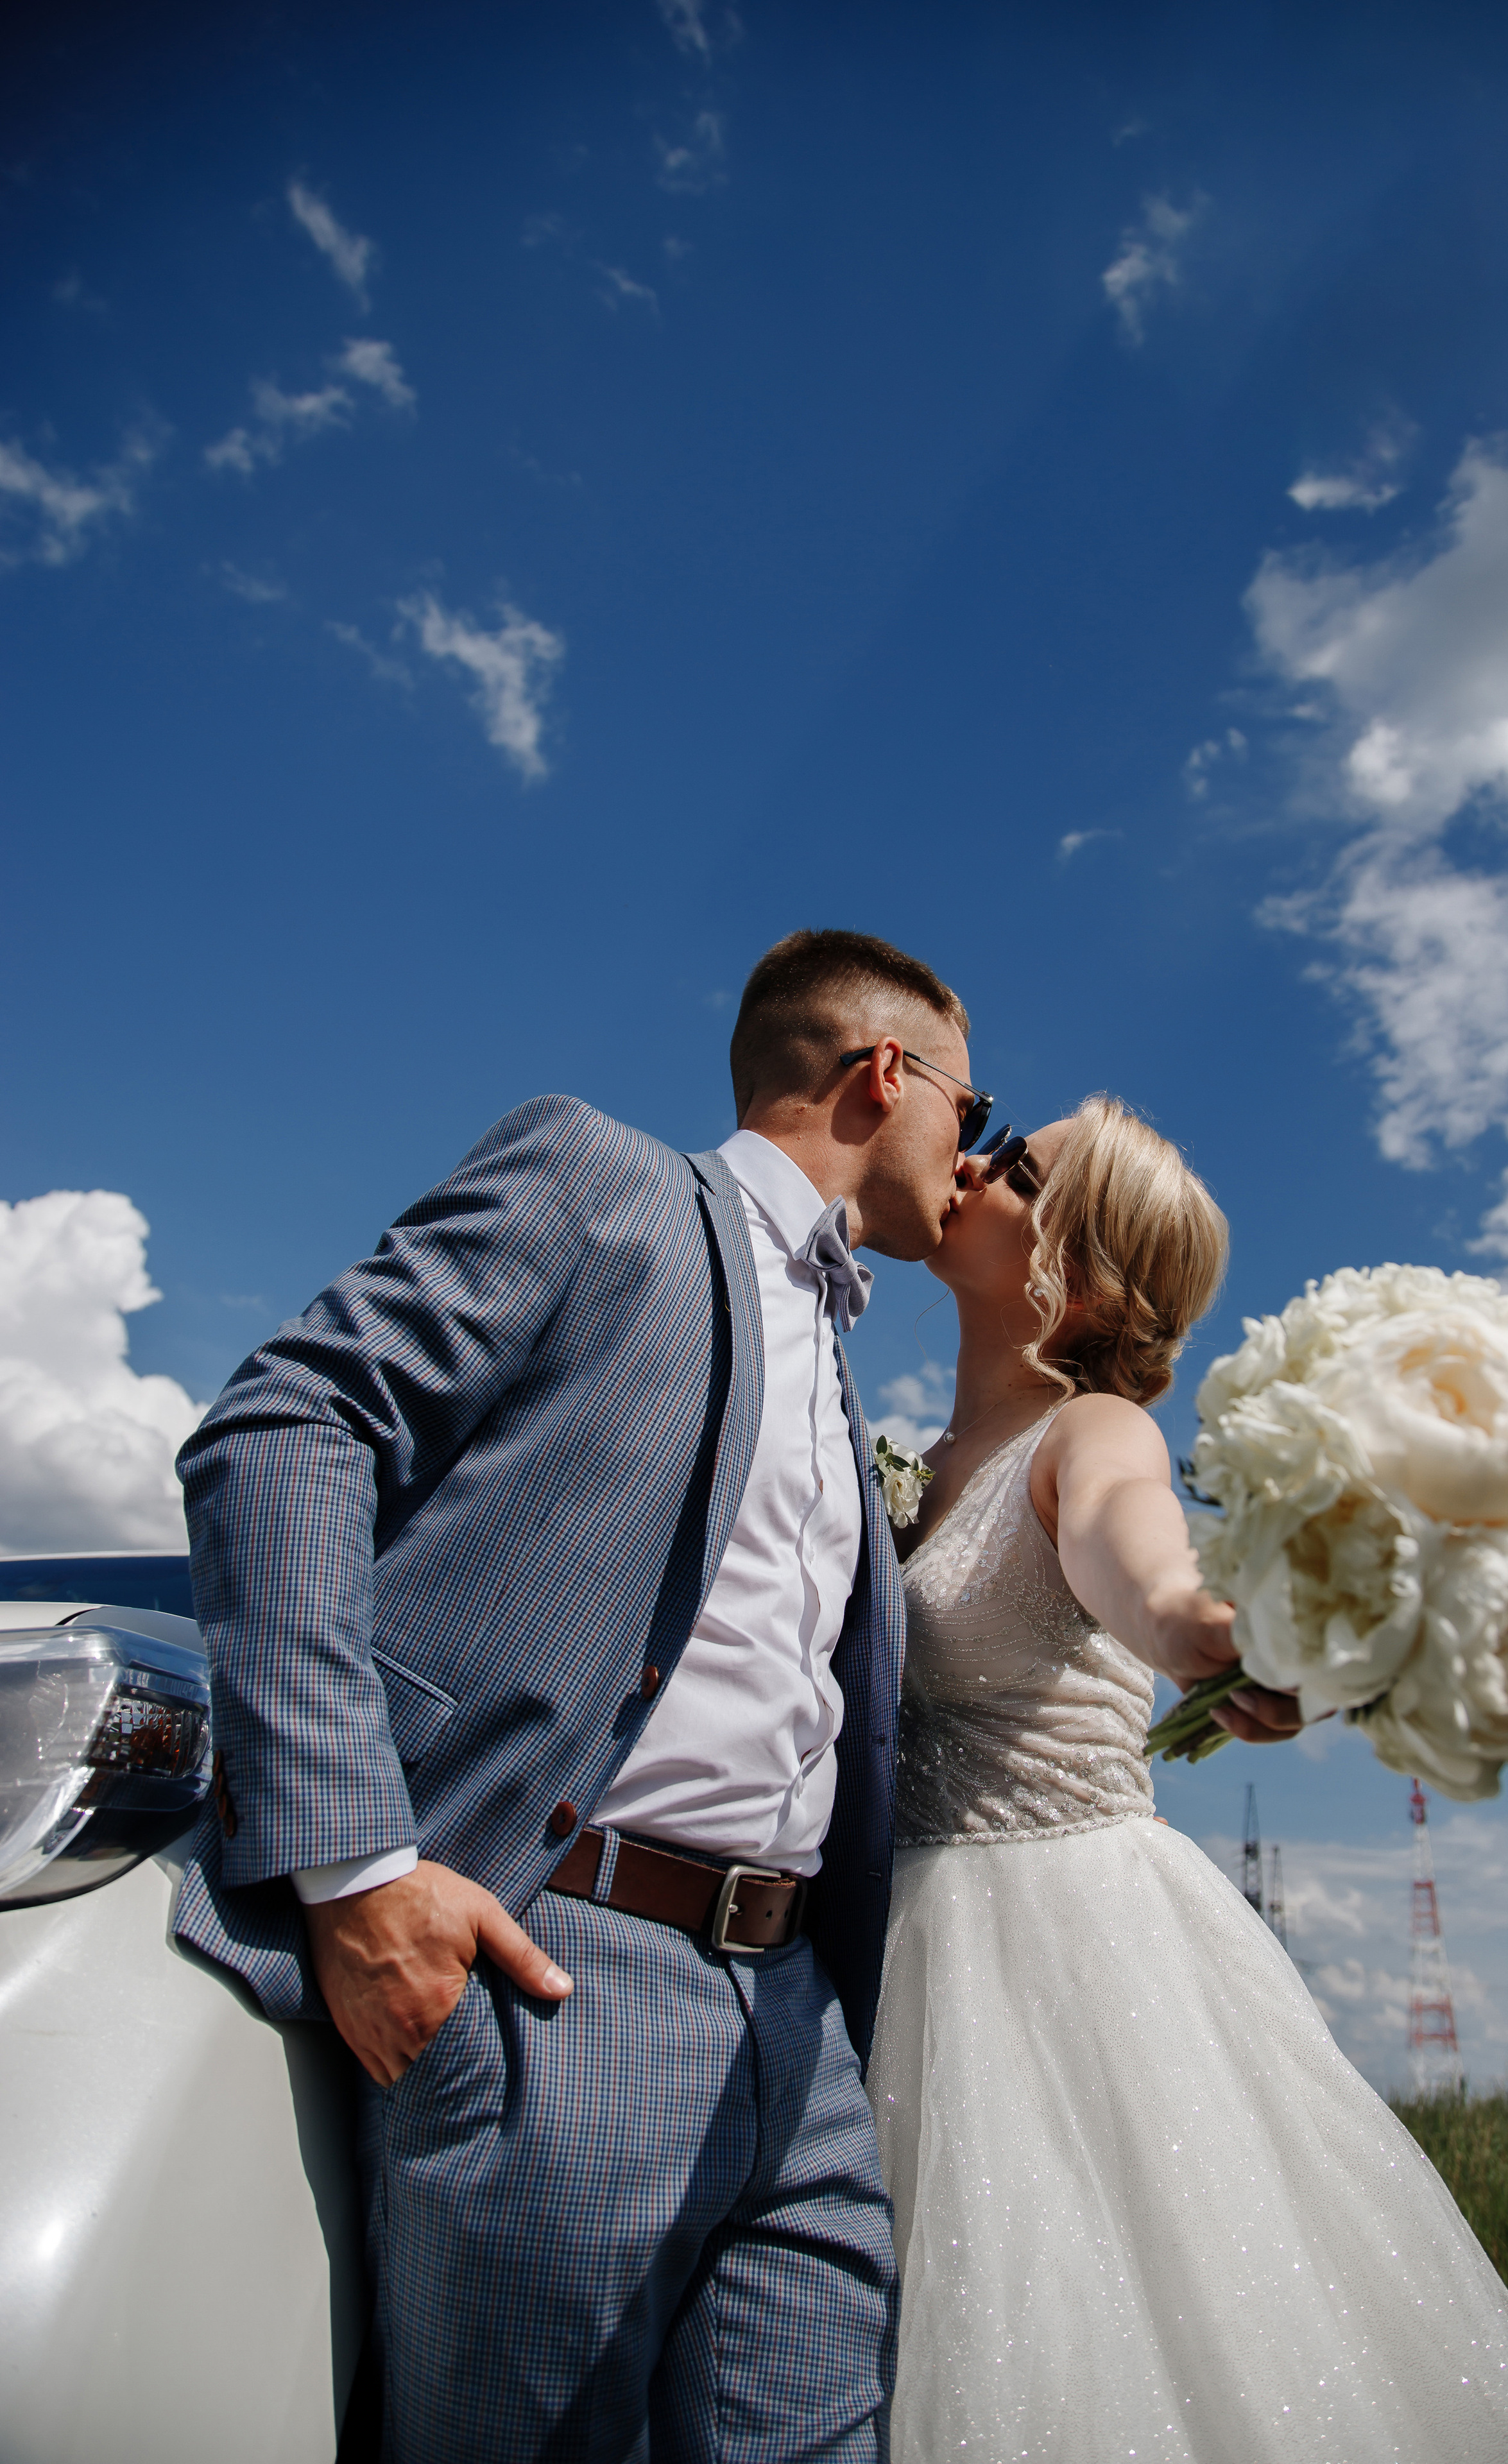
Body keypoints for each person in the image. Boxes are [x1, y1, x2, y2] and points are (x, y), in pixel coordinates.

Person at [171, 927, 988, 2464]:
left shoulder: (831, 1350)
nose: (973, 1152)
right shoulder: (602, 1180)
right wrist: (358, 1867)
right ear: (884, 1076)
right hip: (560, 1979)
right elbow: (285, 1428)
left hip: (800, 2025)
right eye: (973, 1106)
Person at [868, 1097, 1508, 2463]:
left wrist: (1222, 1637)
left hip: (1048, 1958)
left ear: (1072, 1274)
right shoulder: (917, 1461)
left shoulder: (1093, 1440)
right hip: (887, 1948)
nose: (967, 1160)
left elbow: (1139, 1567)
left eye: (1013, 1165)